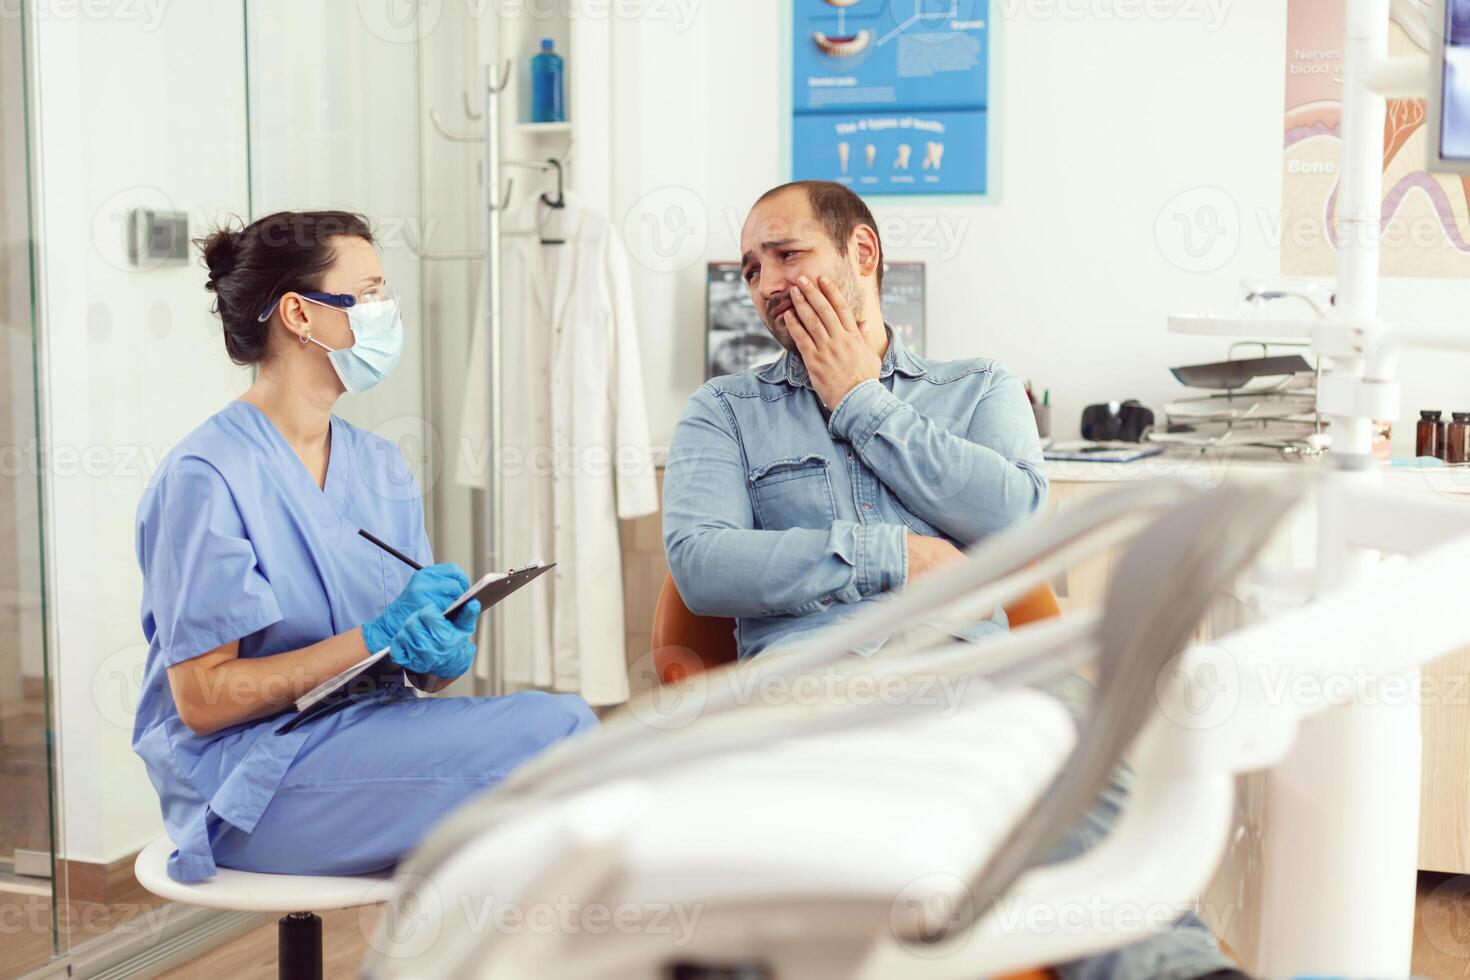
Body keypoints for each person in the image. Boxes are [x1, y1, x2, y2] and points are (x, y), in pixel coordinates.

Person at [662, 181, 1247, 980]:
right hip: (809, 683)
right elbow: (700, 564)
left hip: (975, 673)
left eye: (787, 255)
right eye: (750, 267)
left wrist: (859, 400)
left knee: (1080, 773)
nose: (764, 284)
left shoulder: (977, 390)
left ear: (861, 254)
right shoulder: (723, 410)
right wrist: (889, 555)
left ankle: (1177, 970)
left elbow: (1021, 526)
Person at [132, 210, 595, 883]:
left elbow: (411, 675)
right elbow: (202, 701)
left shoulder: (379, 466)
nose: (386, 312)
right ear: (299, 313)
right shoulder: (207, 477)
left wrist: (441, 648)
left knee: (557, 777)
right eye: (370, 293)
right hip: (252, 778)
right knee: (563, 734)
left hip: (369, 739)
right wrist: (375, 633)